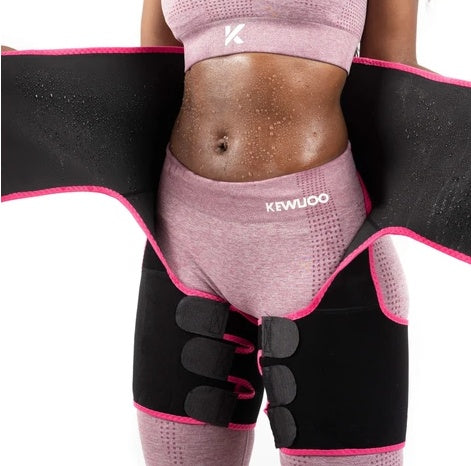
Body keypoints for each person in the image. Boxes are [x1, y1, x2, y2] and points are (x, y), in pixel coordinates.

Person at [137, 1, 420, 465]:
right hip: (182, 244)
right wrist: (29, 82)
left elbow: (399, 76)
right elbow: (147, 76)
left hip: (320, 251)